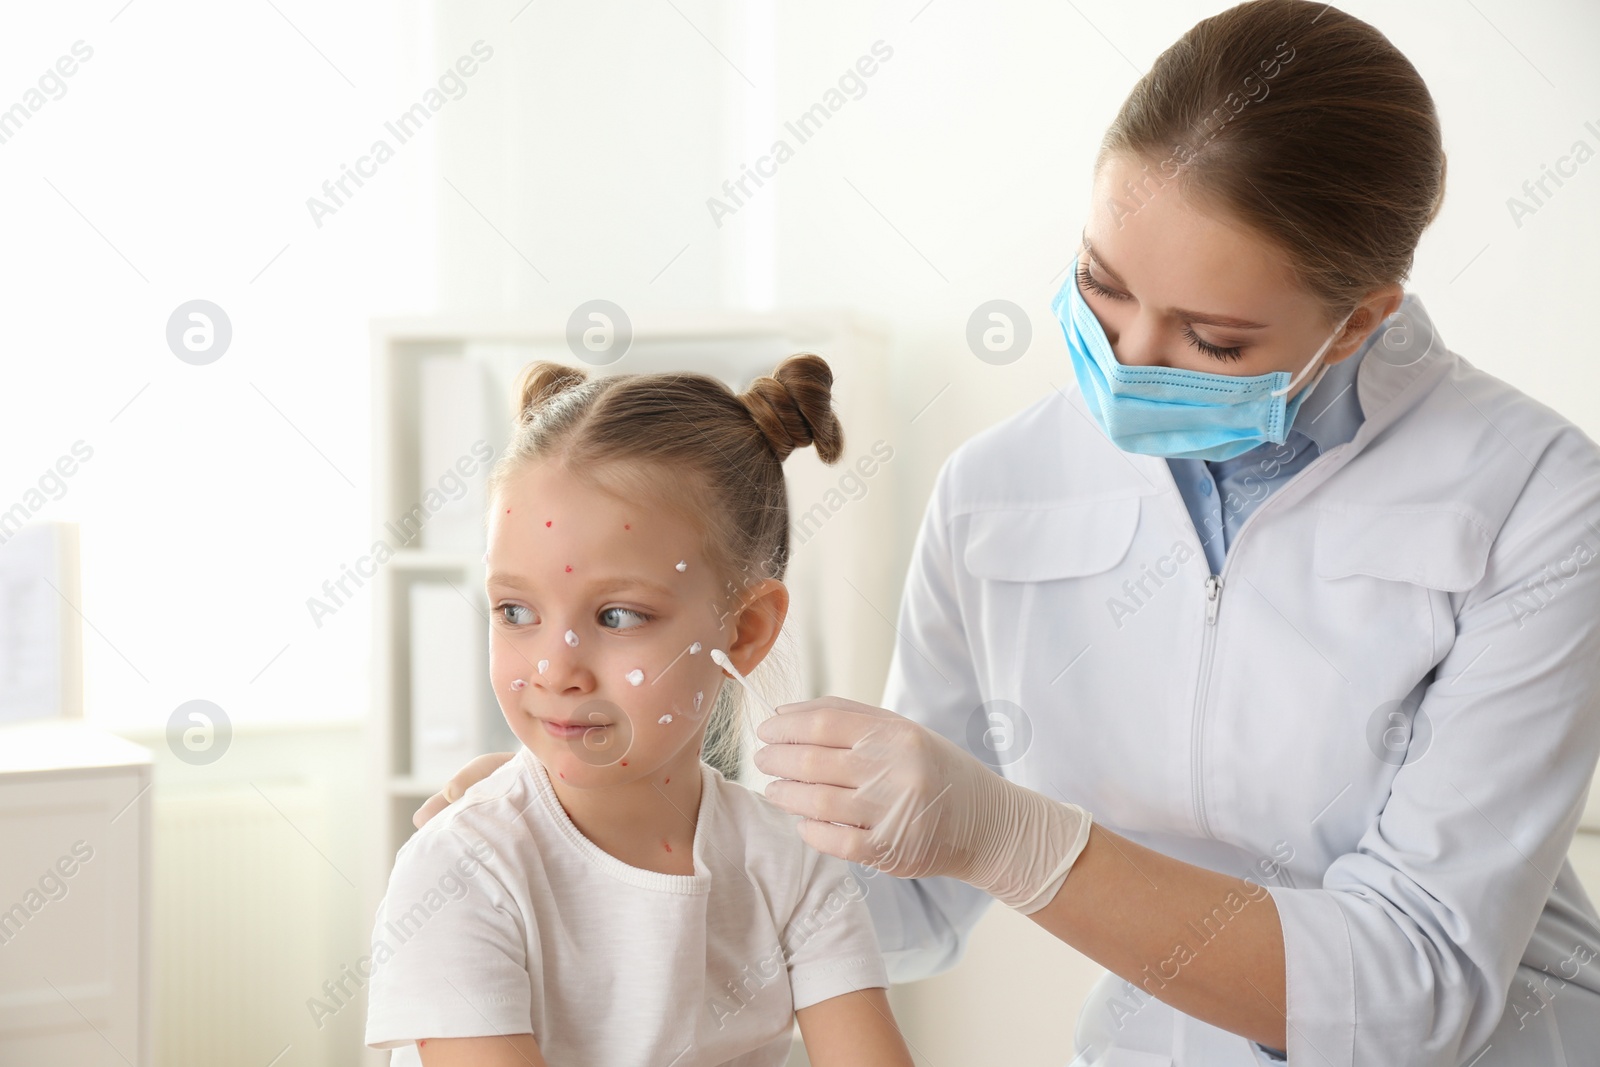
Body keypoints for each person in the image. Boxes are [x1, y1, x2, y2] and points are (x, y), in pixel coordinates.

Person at [414, 1, 1600, 1062]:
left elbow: (1416, 989)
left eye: (1213, 341)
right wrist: (624, 834)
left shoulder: (1533, 497)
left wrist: (1023, 841)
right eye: (1102, 285)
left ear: (1357, 322)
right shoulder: (1002, 488)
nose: (1128, 362)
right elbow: (894, 897)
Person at [368, 354, 914, 1066]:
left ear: (743, 630)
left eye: (618, 615)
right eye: (515, 610)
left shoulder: (789, 863)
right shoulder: (461, 869)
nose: (554, 666)